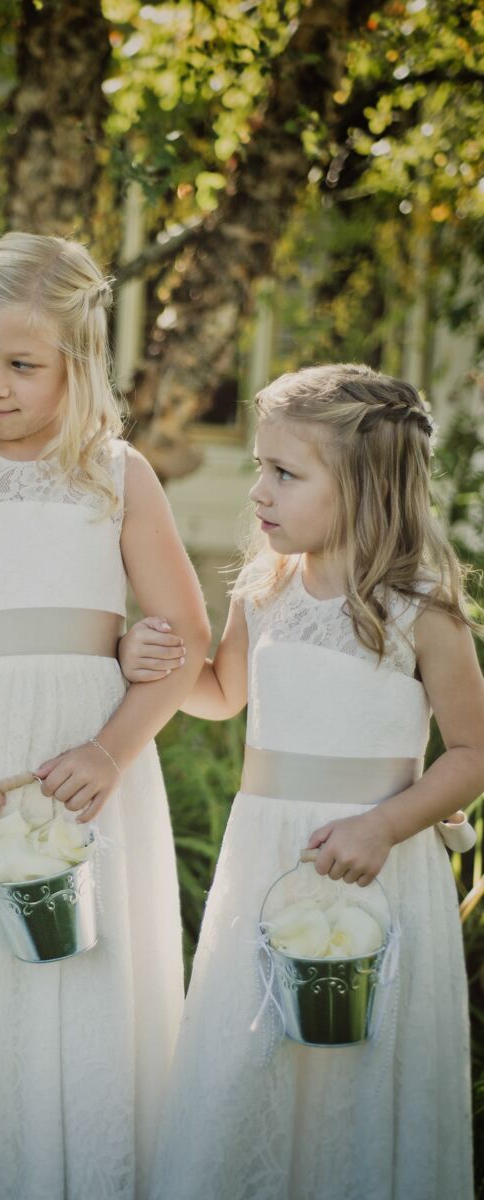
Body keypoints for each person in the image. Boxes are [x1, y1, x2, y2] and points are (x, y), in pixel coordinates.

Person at [0, 231, 211, 1200]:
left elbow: (181, 635)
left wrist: (108, 751)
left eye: (22, 364)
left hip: (85, 767)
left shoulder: (118, 476)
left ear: (78, 364)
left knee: (88, 989)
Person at [119, 364, 482, 1199]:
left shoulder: (418, 606)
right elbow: (216, 696)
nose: (258, 491)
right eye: (257, 466)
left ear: (361, 486)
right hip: (269, 867)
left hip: (371, 868)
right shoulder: (266, 591)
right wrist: (145, 659)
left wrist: (382, 827)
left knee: (359, 1068)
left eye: (283, 473)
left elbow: (471, 749)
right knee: (249, 1064)